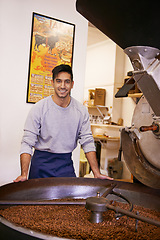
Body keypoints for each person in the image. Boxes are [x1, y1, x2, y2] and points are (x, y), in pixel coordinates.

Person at [14, 64, 111, 182]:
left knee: (69, 200)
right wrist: (24, 174)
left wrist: (96, 173)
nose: (62, 86)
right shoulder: (39, 108)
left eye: (67, 82)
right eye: (58, 81)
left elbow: (87, 141)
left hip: (65, 165)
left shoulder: (81, 111)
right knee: (38, 200)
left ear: (72, 84)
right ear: (53, 83)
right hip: (41, 165)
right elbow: (27, 143)